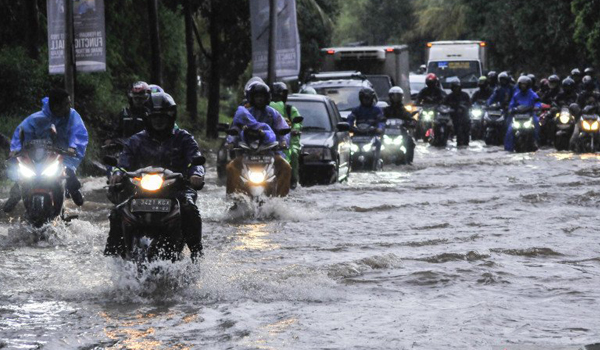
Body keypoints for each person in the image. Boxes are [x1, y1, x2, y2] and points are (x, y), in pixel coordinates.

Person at [104, 92, 205, 260]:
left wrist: (196, 174)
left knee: (189, 209)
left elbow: (196, 161)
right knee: (117, 212)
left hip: (176, 190)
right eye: (155, 116)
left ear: (171, 117)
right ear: (147, 117)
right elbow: (123, 162)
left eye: (163, 116)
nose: (159, 120)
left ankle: (196, 253)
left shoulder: (183, 138)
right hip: (140, 190)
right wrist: (117, 173)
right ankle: (114, 255)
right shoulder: (136, 140)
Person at [4, 88, 88, 212]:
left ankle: (74, 190)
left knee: (69, 174)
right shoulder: (36, 118)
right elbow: (20, 132)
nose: (69, 106)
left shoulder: (73, 116)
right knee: (21, 176)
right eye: (66, 104)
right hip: (38, 156)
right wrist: (15, 149)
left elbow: (79, 133)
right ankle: (15, 196)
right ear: (56, 106)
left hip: (63, 155)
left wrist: (73, 147)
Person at [225, 81, 291, 197]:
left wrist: (284, 141)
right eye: (257, 96)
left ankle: (280, 199)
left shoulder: (273, 113)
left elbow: (283, 128)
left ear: (267, 98)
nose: (259, 99)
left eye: (262, 96)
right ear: (251, 97)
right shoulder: (244, 113)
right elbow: (235, 129)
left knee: (286, 167)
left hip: (270, 153)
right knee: (231, 167)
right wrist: (230, 142)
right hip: (247, 153)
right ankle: (233, 198)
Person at [270, 82, 302, 189]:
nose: (280, 97)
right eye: (277, 95)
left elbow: (297, 121)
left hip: (288, 140)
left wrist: (294, 129)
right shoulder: (265, 109)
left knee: (293, 153)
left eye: (282, 95)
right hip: (270, 139)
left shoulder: (290, 109)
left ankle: (293, 179)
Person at [505, 76, 541, 151]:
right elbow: (511, 104)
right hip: (518, 116)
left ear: (528, 85)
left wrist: (536, 107)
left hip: (529, 114)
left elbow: (538, 102)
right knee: (510, 130)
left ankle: (537, 143)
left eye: (525, 84)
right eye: (521, 84)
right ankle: (509, 148)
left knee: (536, 124)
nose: (523, 86)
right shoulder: (516, 95)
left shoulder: (533, 94)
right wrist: (511, 109)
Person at [382, 86, 416, 164]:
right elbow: (379, 118)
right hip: (386, 133)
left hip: (401, 133)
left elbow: (410, 118)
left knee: (410, 142)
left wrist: (411, 122)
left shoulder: (403, 110)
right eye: (393, 96)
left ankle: (409, 161)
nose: (395, 98)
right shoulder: (386, 110)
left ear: (401, 97)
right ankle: (376, 159)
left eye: (397, 96)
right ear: (390, 97)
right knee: (376, 142)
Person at [443, 79, 472, 146]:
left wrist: (464, 108)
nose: (456, 89)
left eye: (457, 87)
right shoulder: (449, 96)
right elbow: (443, 104)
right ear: (452, 88)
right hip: (453, 117)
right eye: (455, 87)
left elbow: (470, 104)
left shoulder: (465, 95)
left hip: (464, 117)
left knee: (466, 133)